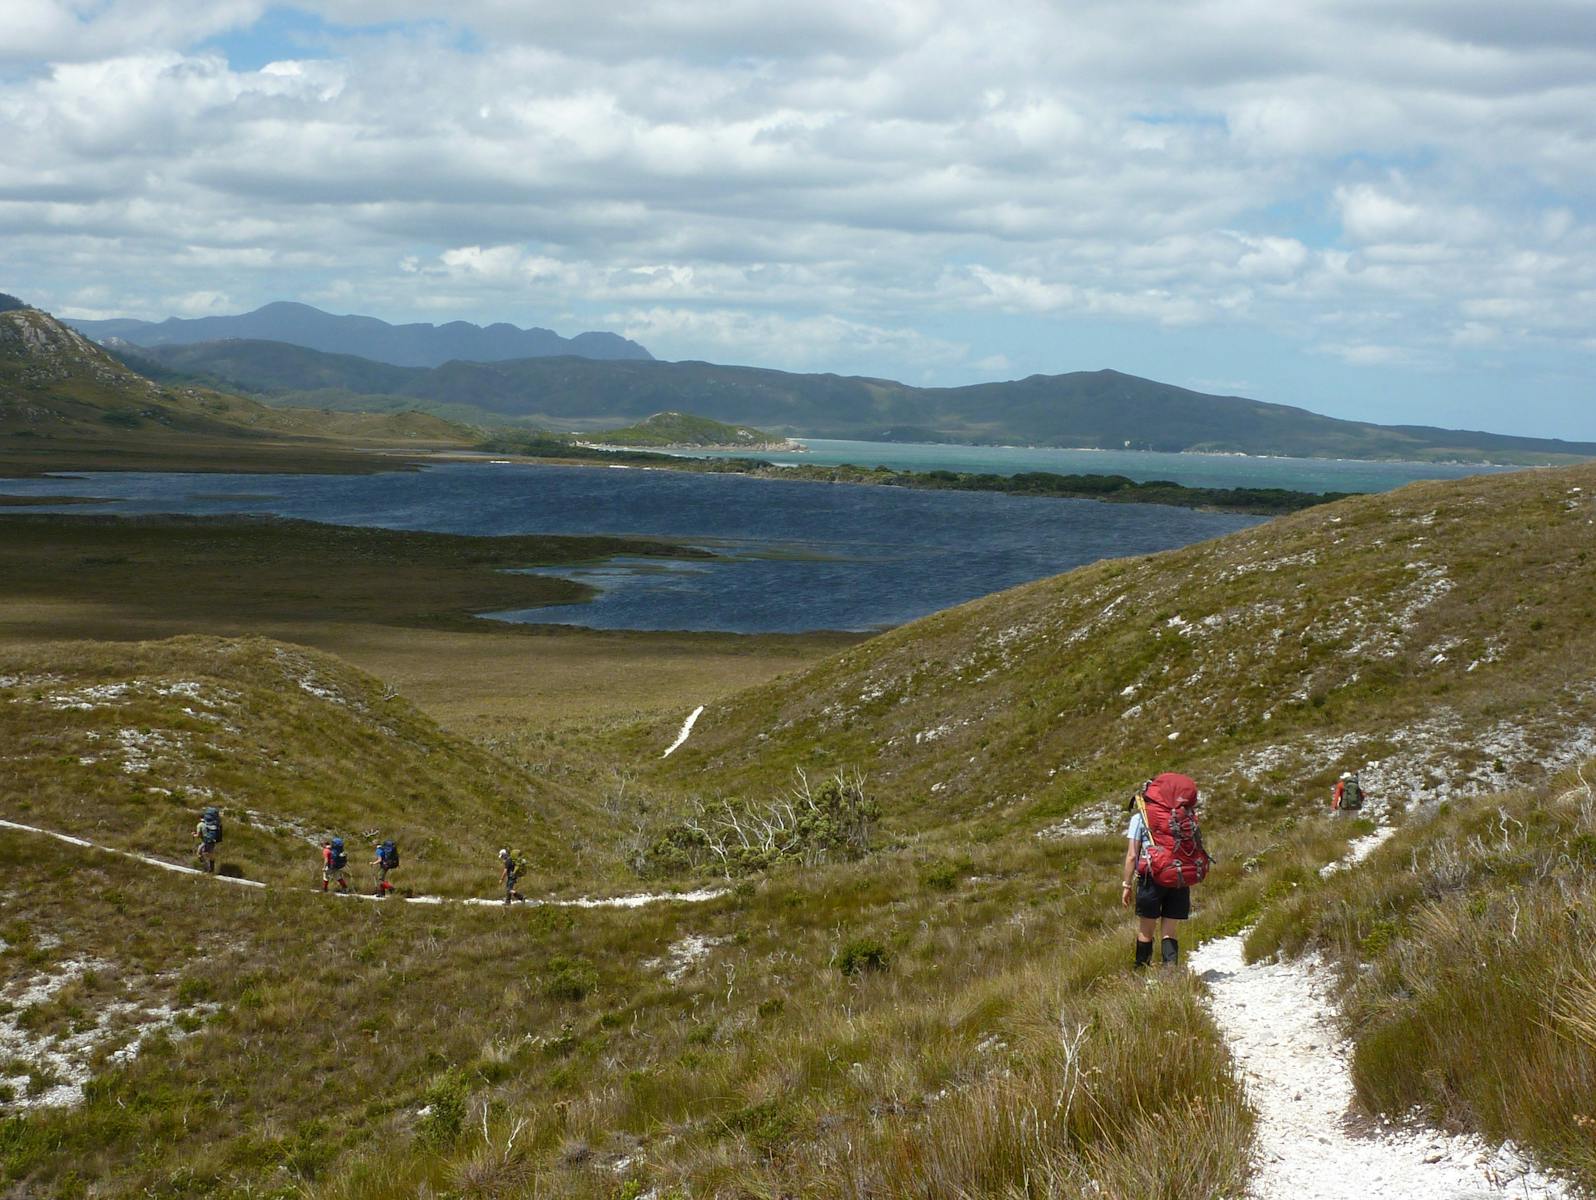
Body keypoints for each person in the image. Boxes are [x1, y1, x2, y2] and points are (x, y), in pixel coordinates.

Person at [1121, 783, 1191, 968]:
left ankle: (1141, 974)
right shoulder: (1180, 816)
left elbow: (1132, 855)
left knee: (1146, 930)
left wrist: (1126, 885)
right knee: (1169, 930)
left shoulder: (1140, 818)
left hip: (1151, 878)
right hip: (1177, 876)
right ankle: (1170, 974)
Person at [192, 806, 222, 874]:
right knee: (210, 854)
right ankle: (211, 869)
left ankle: (206, 868)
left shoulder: (200, 825)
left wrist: (193, 835)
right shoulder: (214, 824)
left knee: (200, 854)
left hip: (206, 841)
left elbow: (198, 835)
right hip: (212, 841)